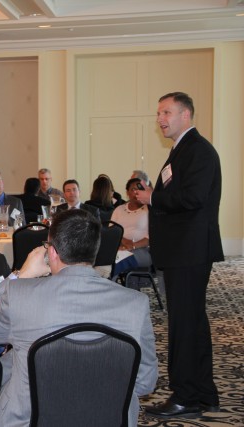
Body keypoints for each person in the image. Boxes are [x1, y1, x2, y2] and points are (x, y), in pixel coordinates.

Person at [0, 209, 158, 427]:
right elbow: (145, 383)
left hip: (29, 421)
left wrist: (21, 275)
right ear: (94, 251)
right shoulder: (135, 303)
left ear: (52, 253)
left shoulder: (20, 295)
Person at [136, 92, 223, 418]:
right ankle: (205, 393)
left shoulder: (197, 151)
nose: (160, 118)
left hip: (188, 250)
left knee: (184, 326)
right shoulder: (183, 150)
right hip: (183, 250)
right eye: (158, 112)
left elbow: (194, 197)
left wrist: (154, 198)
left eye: (166, 112)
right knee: (193, 323)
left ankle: (185, 397)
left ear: (186, 114)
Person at [110, 178, 152, 277]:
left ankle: (107, 287)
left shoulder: (150, 210)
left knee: (117, 261)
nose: (137, 192)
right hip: (120, 248)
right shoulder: (119, 210)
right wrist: (124, 243)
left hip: (143, 251)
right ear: (127, 192)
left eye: (140, 189)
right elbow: (111, 232)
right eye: (133, 189)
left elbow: (152, 237)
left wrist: (132, 246)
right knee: (106, 258)